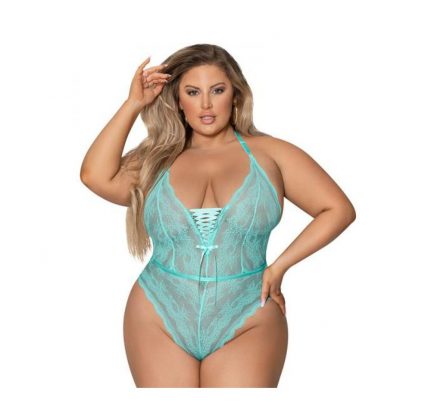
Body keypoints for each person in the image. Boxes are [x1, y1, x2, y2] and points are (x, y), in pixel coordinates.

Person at [80, 43, 356, 388]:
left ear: (235, 94)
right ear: (177, 99)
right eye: (193, 92)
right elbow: (94, 176)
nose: (206, 104)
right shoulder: (155, 159)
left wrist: (279, 267)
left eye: (218, 90)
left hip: (248, 313)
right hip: (158, 312)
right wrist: (134, 103)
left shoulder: (271, 153)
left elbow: (338, 209)